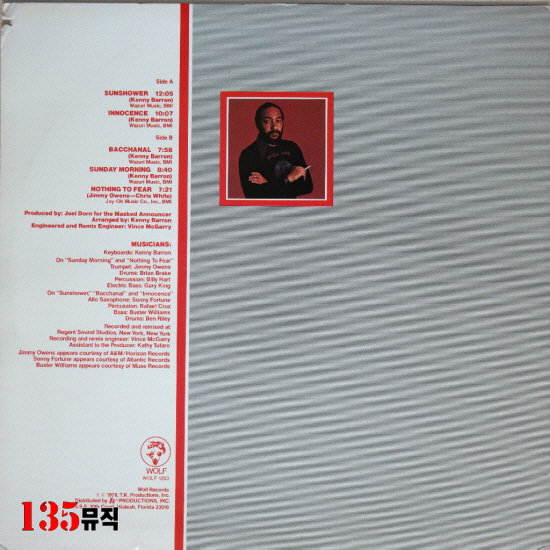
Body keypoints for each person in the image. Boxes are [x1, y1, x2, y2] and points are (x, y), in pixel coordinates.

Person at [239, 102, 313, 199]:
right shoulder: (249, 154)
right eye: (267, 121)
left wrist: (268, 183)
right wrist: (289, 178)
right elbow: (255, 196)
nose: (274, 127)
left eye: (278, 121)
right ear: (258, 123)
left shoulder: (292, 147)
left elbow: (307, 187)